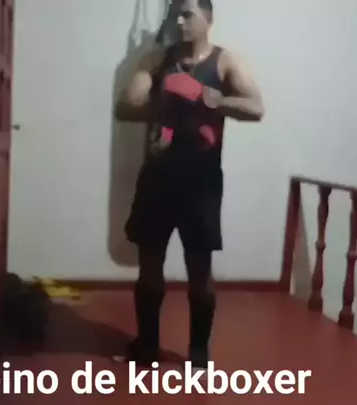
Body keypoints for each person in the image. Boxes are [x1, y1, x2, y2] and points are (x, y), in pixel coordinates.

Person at [113, 0, 264, 369]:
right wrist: (166, 99)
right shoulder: (156, 58)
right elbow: (126, 106)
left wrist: (209, 97)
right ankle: (147, 346)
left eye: (188, 15)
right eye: (175, 15)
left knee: (200, 270)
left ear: (208, 19)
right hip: (158, 177)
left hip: (201, 183)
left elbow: (256, 108)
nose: (180, 22)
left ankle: (198, 353)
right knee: (150, 268)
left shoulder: (225, 61)